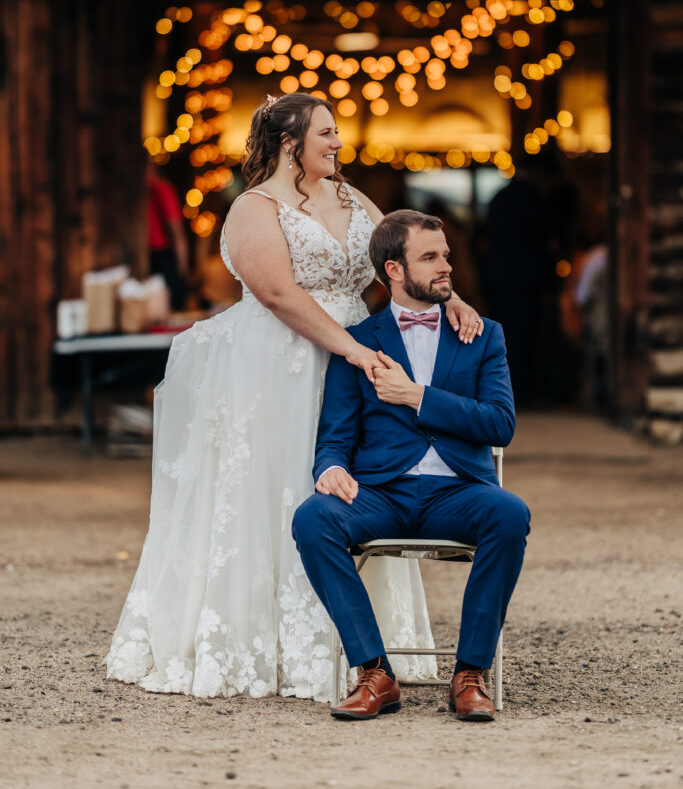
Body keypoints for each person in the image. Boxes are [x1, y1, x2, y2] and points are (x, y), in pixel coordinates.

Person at [106, 94, 483, 702]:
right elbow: (280, 295)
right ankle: (275, 645)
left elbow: (404, 253)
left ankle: (364, 649)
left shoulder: (352, 197)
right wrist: (354, 351)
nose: (338, 143)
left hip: (353, 356)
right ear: (291, 144)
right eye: (326, 134)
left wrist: (450, 296)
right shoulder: (254, 209)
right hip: (279, 364)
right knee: (279, 487)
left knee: (358, 482)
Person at [293, 209, 530, 721]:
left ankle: (470, 674)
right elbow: (335, 435)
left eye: (445, 255)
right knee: (313, 519)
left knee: (510, 514)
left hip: (458, 494)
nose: (446, 266)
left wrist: (418, 397)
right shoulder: (357, 343)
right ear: (394, 270)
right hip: (382, 494)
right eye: (430, 257)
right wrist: (329, 469)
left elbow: (500, 424)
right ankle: (374, 673)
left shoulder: (484, 335)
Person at [147, 160, 189, 311]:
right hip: (145, 257)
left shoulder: (161, 190)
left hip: (162, 255)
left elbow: (176, 230)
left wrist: (182, 267)